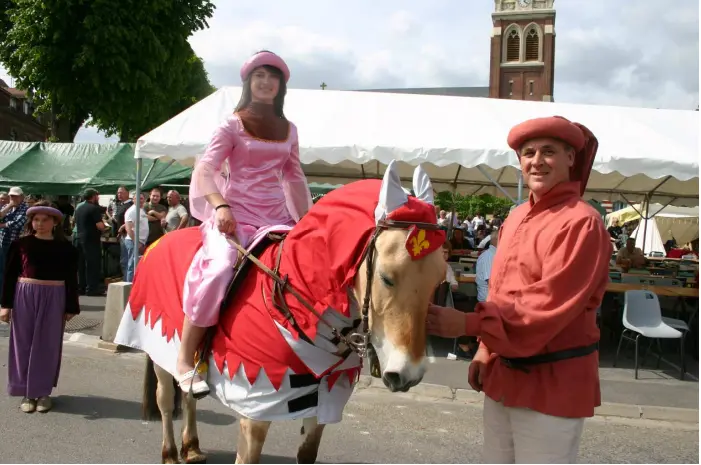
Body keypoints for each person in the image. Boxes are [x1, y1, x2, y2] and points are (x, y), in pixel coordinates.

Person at [427, 116, 611, 463]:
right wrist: (485, 350)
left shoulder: (582, 222)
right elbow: (500, 291)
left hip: (552, 383)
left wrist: (468, 324)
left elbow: (545, 304)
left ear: (571, 158)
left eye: (549, 151)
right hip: (504, 376)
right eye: (528, 153)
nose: (537, 161)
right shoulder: (515, 217)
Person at [177, 50, 312, 397]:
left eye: (273, 77)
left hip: (276, 217)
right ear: (248, 83)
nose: (266, 82)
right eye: (259, 76)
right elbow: (206, 169)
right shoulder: (230, 124)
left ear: (281, 86)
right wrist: (220, 205)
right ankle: (184, 357)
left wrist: (306, 222)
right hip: (234, 217)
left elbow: (294, 178)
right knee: (221, 268)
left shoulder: (290, 129)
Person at [0, 201, 80, 413]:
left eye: (45, 220)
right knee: (22, 343)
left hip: (55, 296)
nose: (40, 223)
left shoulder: (67, 248)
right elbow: (8, 276)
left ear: (55, 222)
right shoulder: (21, 244)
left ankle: (43, 392)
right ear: (31, 221)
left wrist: (71, 305)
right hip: (25, 294)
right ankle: (26, 391)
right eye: (36, 219)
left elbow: (72, 278)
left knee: (48, 344)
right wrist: (5, 305)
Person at [74, 189, 106, 296]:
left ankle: (81, 287)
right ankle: (92, 288)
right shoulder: (93, 208)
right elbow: (100, 226)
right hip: (91, 240)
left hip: (79, 238)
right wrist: (105, 228)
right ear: (93, 196)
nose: (98, 198)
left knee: (81, 264)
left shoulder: (79, 207)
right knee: (92, 264)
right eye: (97, 196)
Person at [123, 191, 148, 282]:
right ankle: (129, 287)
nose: (140, 200)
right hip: (133, 242)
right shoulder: (132, 211)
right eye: (137, 198)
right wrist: (136, 242)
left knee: (136, 266)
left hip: (139, 242)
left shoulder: (141, 210)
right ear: (133, 199)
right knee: (131, 265)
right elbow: (129, 228)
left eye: (141, 198)